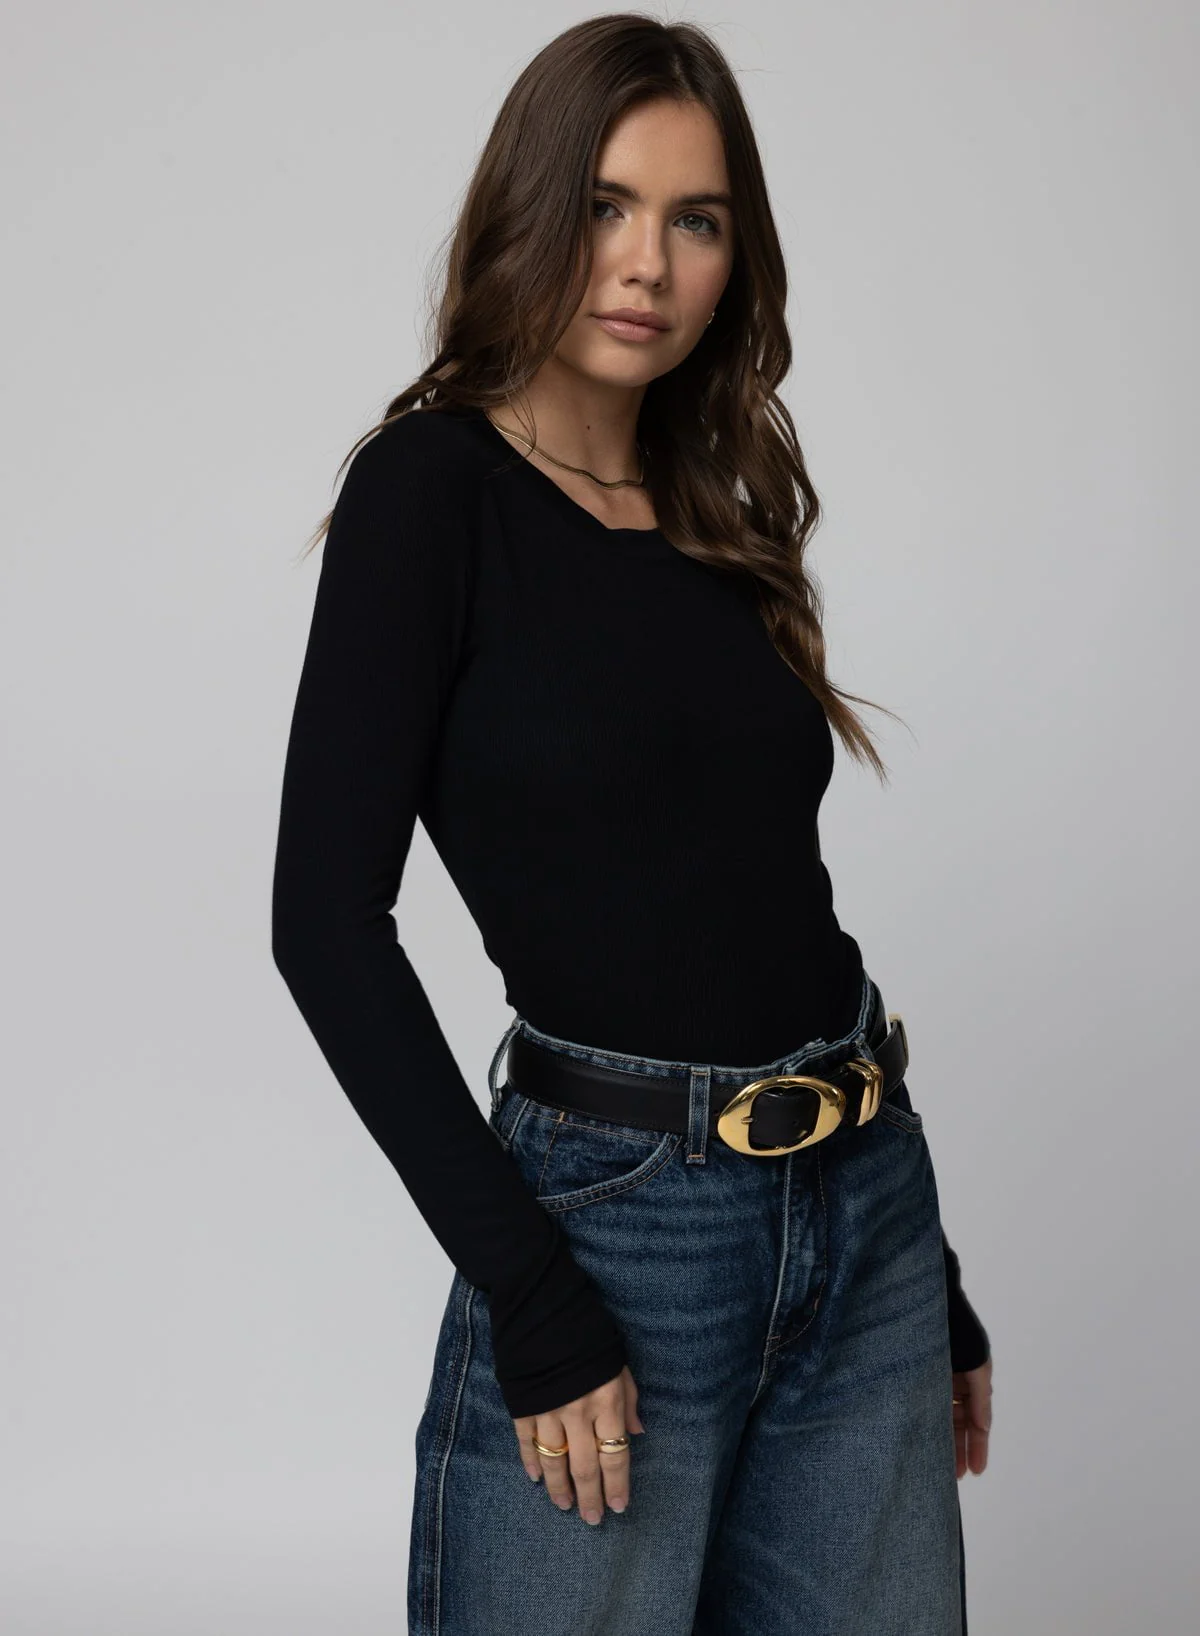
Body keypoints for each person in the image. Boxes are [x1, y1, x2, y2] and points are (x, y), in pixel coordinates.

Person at [270, 14, 993, 1635]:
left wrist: (919, 1267)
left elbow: (769, 892)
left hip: (864, 1205)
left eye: (696, 218)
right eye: (607, 205)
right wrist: (532, 1292)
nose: (648, 262)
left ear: (738, 258)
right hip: (616, 1236)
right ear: (530, 209)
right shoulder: (431, 493)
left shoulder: (718, 509)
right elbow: (322, 925)